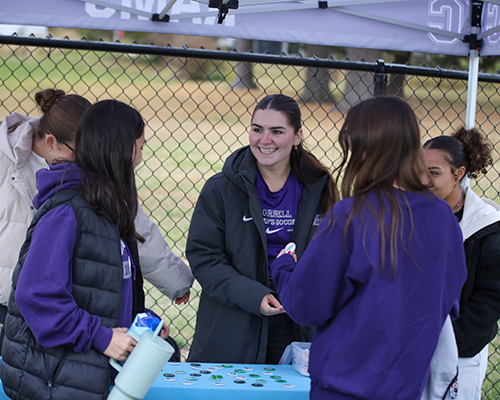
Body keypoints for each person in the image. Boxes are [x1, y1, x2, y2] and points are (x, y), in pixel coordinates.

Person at [270, 96, 467, 400]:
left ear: (362, 148)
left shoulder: (353, 215)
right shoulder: (444, 218)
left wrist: (284, 265)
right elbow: (448, 301)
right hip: (407, 386)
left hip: (345, 386)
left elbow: (306, 304)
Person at [0, 89, 193, 352]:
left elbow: (101, 280)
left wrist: (140, 317)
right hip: (45, 339)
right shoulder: (65, 208)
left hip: (74, 340)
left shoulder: (104, 197)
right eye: (140, 147)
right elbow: (35, 294)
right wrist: (101, 337)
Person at [186, 94, 337, 364]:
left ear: (297, 136)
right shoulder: (221, 188)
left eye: (277, 131)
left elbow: (333, 256)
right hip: (235, 316)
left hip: (298, 319)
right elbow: (204, 256)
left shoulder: (320, 188)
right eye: (257, 130)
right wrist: (253, 295)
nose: (264, 140)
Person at [422, 127, 500, 400]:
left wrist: (445, 342)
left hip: (461, 354)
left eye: (434, 172)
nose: (424, 180)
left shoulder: (486, 226)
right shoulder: (414, 215)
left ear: (459, 174)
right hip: (412, 347)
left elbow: (490, 300)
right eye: (419, 171)